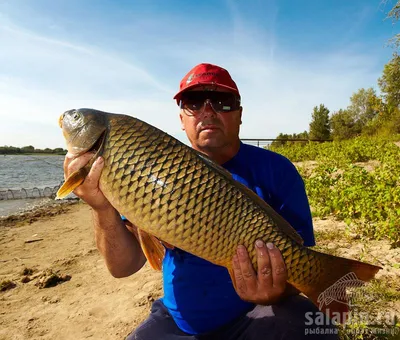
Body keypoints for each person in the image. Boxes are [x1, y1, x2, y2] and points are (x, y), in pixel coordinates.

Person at [63, 63, 338, 339]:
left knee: (317, 329)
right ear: (182, 118)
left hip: (257, 314)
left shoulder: (277, 170)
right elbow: (123, 267)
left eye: (222, 102)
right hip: (178, 322)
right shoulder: (151, 166)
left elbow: (297, 261)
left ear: (240, 114)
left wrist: (277, 290)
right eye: (193, 102)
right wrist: (101, 208)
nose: (208, 111)